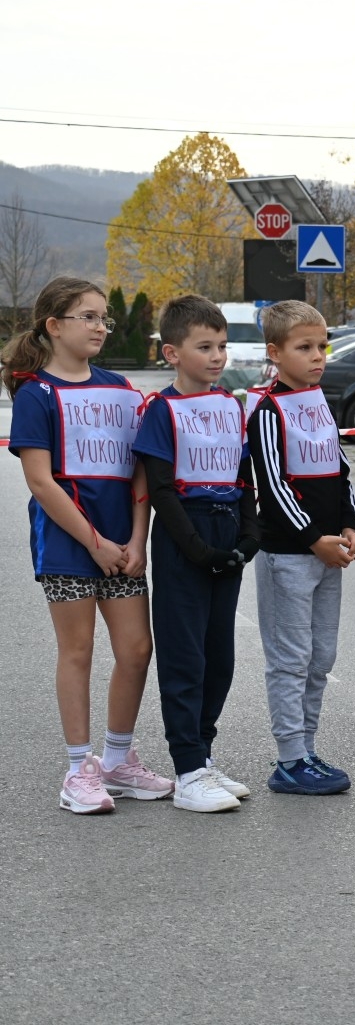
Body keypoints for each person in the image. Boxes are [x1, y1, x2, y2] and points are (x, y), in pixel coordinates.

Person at [4, 276, 169, 814]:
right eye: (89, 317)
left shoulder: (121, 388)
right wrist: (94, 542)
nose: (101, 327)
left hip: (123, 546)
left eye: (104, 318)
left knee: (137, 650)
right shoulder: (36, 394)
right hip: (69, 546)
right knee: (77, 652)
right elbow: (41, 481)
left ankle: (117, 760)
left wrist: (137, 538)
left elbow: (140, 470)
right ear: (54, 326)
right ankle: (79, 769)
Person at [134, 295, 261, 811]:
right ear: (172, 353)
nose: (217, 356)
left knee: (219, 658)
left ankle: (204, 756)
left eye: (222, 346)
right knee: (184, 657)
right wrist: (198, 550)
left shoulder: (231, 405)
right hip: (185, 537)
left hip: (226, 533)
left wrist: (249, 539)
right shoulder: (161, 410)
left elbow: (244, 479)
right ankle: (187, 769)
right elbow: (162, 490)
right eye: (204, 347)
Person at [247, 300, 355, 796]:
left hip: (328, 553)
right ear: (275, 353)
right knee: (290, 659)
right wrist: (314, 539)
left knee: (321, 657)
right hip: (289, 556)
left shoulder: (318, 400)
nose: (318, 356)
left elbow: (339, 472)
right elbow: (273, 485)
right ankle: (290, 759)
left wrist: (349, 525)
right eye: (304, 347)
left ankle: (308, 749)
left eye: (322, 346)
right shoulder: (268, 410)